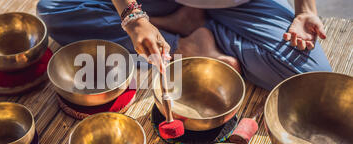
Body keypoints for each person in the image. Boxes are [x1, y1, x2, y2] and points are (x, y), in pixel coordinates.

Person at [36, 0, 332, 90]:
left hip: (240, 4)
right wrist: (133, 16)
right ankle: (183, 37)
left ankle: (194, 25)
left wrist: (305, 9)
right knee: (53, 10)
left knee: (310, 80)